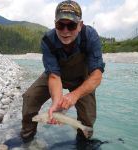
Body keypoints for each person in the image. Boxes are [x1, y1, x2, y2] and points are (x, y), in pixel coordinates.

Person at [20, 0, 105, 143]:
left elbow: (96, 76)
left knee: (87, 117)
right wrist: (57, 103)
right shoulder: (48, 40)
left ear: (80, 25)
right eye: (60, 25)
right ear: (55, 24)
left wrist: (75, 95)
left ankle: (83, 141)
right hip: (56, 74)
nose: (65, 31)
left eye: (71, 25)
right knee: (30, 97)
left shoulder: (90, 36)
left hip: (82, 78)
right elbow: (53, 76)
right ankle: (27, 138)